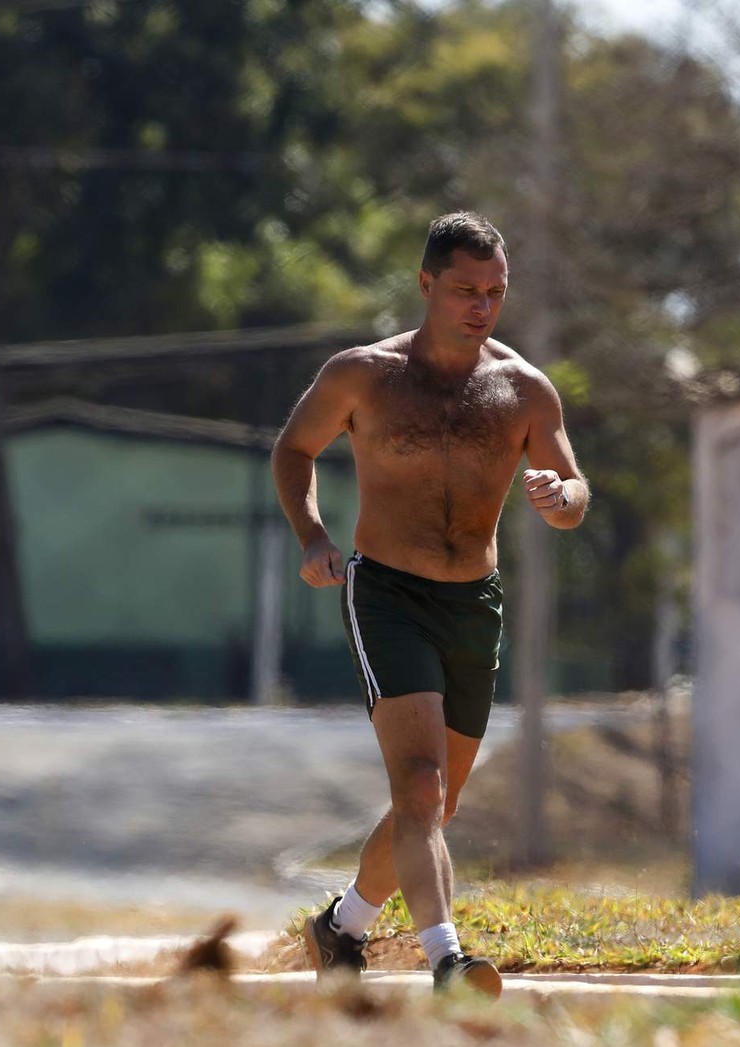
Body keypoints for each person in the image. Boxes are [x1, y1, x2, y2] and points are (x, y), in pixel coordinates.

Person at [270, 211, 589, 996]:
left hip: (474, 602)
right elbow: (293, 449)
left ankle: (340, 927)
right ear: (425, 285)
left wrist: (559, 493)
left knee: (432, 803)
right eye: (464, 290)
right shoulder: (363, 375)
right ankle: (448, 958)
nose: (481, 306)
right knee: (418, 787)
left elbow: (576, 490)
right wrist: (313, 536)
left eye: (495, 292)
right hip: (386, 593)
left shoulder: (522, 388)